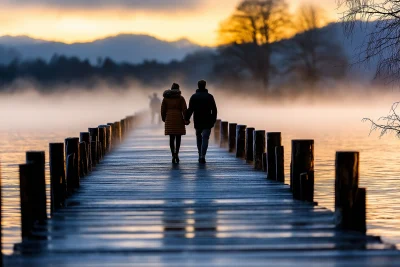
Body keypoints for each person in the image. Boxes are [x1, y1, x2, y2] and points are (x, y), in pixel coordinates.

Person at [185, 80, 218, 164]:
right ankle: (203, 155)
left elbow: (190, 109)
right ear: (205, 86)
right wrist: (213, 120)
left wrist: (186, 118)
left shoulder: (194, 97)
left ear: (198, 86)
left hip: (197, 120)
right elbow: (214, 110)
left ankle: (200, 154)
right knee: (205, 138)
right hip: (207, 121)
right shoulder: (210, 96)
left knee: (199, 138)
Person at [161, 83, 188, 164]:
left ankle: (173, 154)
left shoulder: (166, 98)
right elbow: (184, 109)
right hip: (179, 118)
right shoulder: (181, 98)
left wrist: (164, 118)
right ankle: (177, 153)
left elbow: (163, 110)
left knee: (171, 138)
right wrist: (186, 119)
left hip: (169, 118)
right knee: (178, 137)